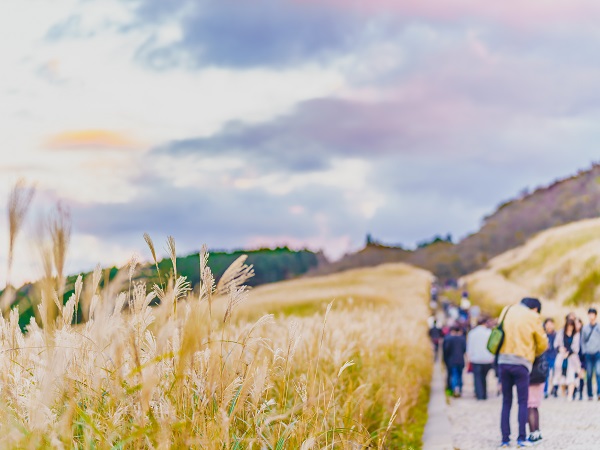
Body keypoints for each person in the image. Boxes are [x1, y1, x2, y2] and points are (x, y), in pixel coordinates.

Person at [498, 297, 548, 449]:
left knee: (506, 401)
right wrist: (532, 352)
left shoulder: (506, 310)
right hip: (522, 363)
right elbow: (542, 344)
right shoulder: (532, 316)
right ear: (534, 308)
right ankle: (521, 438)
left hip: (503, 361)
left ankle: (505, 440)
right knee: (522, 402)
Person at [466, 317, 494, 400]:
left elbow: (470, 346)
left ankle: (479, 394)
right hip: (487, 358)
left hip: (476, 358)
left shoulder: (472, 333)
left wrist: (469, 357)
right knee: (484, 377)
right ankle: (484, 393)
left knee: (477, 377)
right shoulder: (489, 332)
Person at [553, 319, 580, 400]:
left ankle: (570, 395)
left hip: (572, 359)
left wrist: (569, 353)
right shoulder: (561, 333)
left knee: (572, 376)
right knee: (561, 377)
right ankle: (564, 393)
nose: (570, 328)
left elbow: (576, 347)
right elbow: (556, 345)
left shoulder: (576, 335)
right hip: (561, 358)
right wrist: (561, 349)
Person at [581, 307, 600, 401]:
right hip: (588, 354)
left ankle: (599, 393)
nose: (591, 316)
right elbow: (582, 341)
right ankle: (590, 394)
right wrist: (584, 351)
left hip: (597, 353)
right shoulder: (585, 328)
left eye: (593, 314)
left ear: (595, 316)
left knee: (598, 373)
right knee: (588, 374)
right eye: (590, 314)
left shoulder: (598, 327)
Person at [443, 326, 467, 397]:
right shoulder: (462, 339)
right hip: (460, 360)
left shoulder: (448, 339)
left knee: (454, 375)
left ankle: (455, 389)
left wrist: (445, 360)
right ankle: (459, 388)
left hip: (452, 360)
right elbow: (464, 349)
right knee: (459, 375)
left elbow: (446, 350)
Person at [543, 318, 558, 398]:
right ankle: (545, 391)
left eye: (551, 324)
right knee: (546, 374)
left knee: (556, 374)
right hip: (545, 357)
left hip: (554, 356)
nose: (549, 326)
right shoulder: (543, 334)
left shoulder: (556, 334)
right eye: (547, 324)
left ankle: (554, 389)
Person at [574, 318, 586, 400]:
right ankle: (574, 392)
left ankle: (581, 393)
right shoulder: (573, 334)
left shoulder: (583, 334)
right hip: (573, 357)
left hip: (582, 357)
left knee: (581, 375)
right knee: (574, 375)